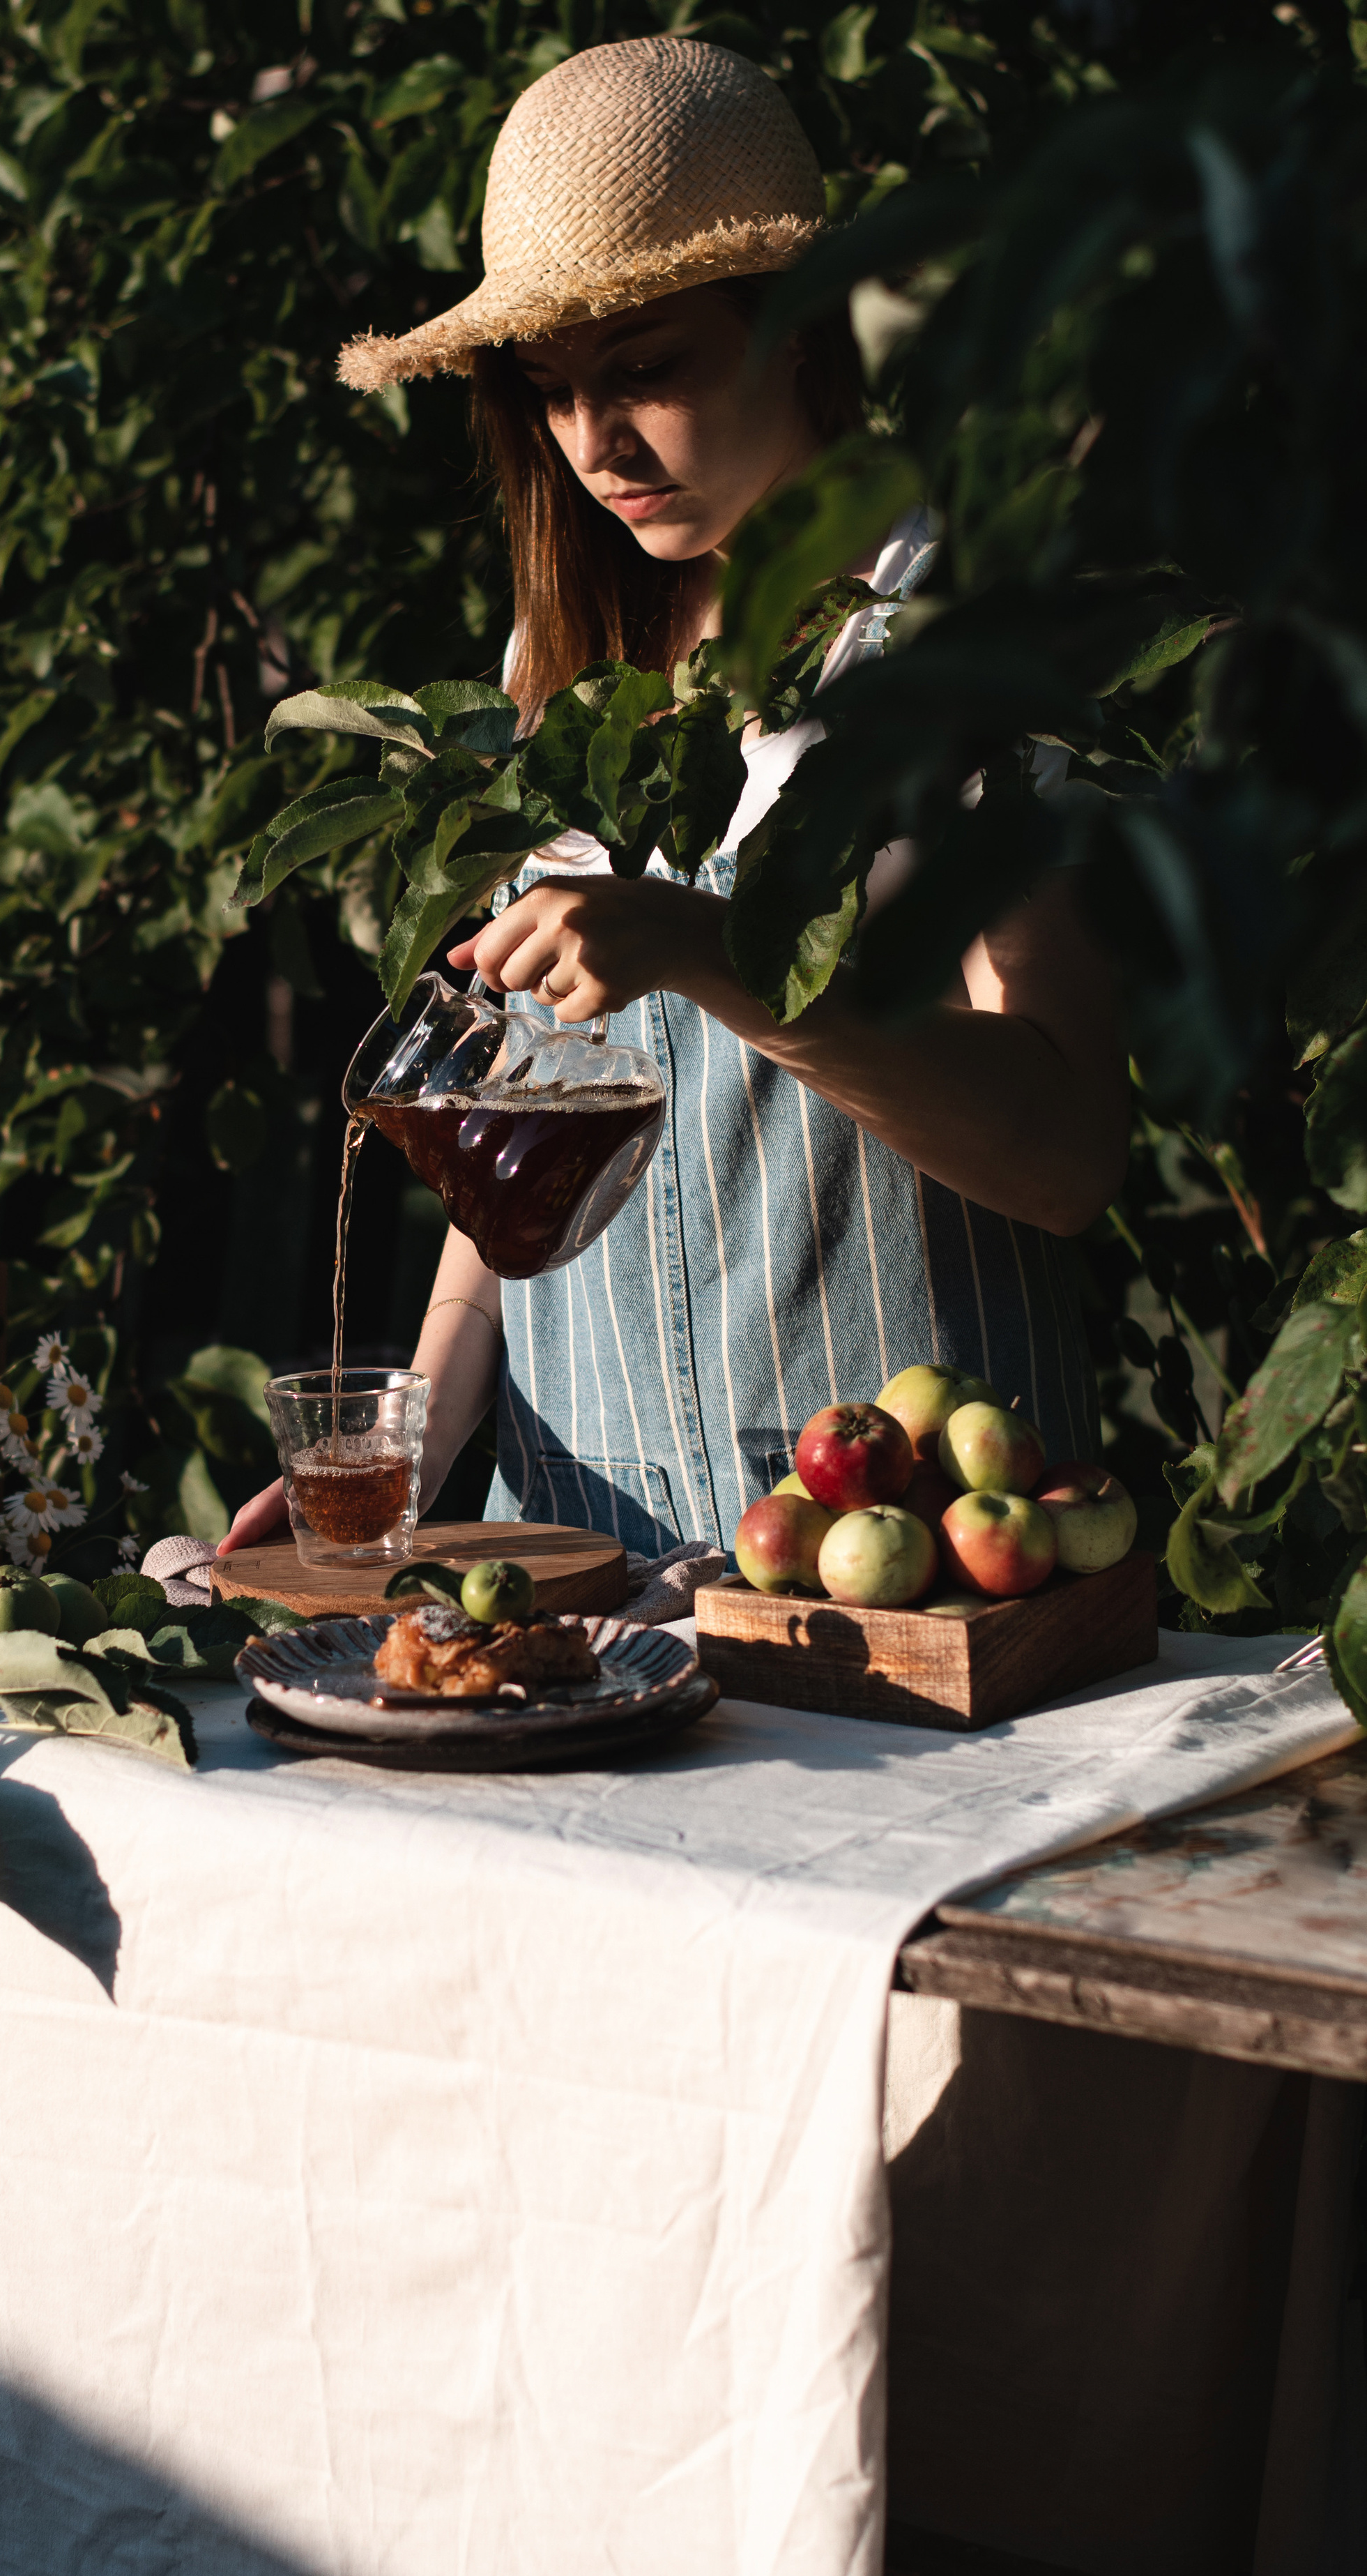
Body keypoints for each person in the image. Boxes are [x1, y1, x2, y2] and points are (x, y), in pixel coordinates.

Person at [222, 33, 1127, 1563]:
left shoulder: (957, 643)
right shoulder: (557, 663)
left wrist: (713, 957)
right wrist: (417, 1448)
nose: (594, 446)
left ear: (792, 330)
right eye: (552, 393)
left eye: (646, 372)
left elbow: (1061, 1159)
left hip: (895, 1561)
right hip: (577, 1544)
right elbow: (518, 1141)